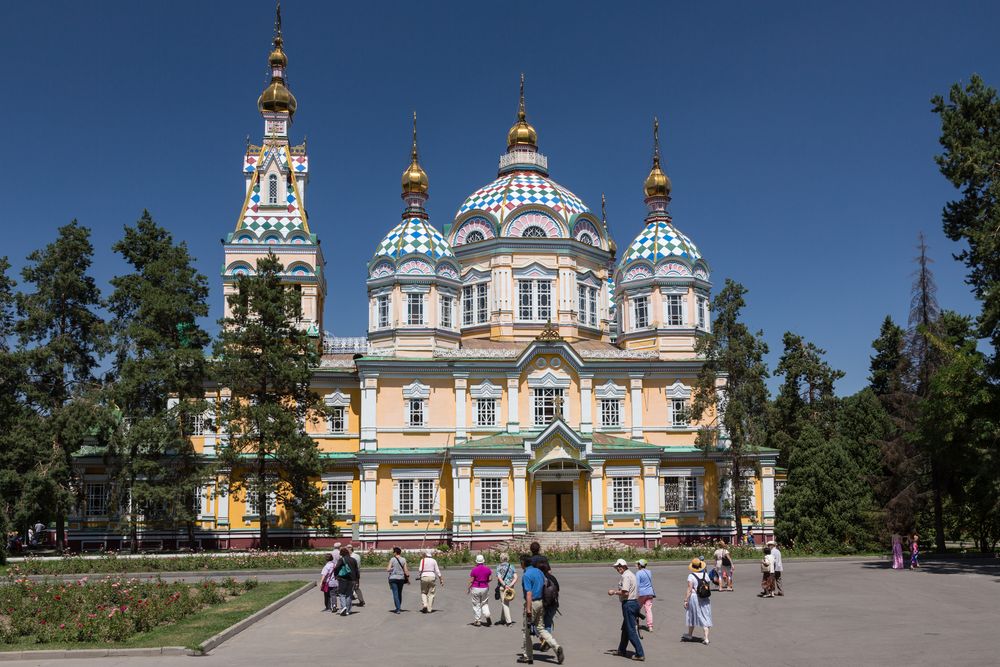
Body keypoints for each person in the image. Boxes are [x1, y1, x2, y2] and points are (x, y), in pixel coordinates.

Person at [518, 554, 563, 665]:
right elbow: (544, 584)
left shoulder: (526, 575)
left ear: (523, 563)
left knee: (527, 631)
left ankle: (527, 656)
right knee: (541, 628)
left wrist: (528, 610)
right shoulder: (538, 572)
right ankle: (556, 646)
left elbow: (528, 593)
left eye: (520, 562)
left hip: (532, 603)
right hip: (541, 603)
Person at [608, 558, 644, 661]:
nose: (617, 569)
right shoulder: (630, 574)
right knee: (625, 629)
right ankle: (621, 650)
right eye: (616, 567)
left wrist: (613, 592)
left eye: (618, 567)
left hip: (629, 604)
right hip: (633, 603)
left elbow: (625, 592)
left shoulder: (626, 576)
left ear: (623, 566)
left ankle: (640, 653)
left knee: (630, 630)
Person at [682, 558, 713, 644]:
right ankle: (706, 638)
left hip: (695, 597)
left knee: (692, 614)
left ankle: (689, 634)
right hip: (705, 597)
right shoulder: (705, 575)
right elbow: (708, 586)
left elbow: (689, 589)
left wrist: (686, 600)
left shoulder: (691, 576)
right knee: (705, 615)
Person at [334, 546, 360, 615]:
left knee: (342, 594)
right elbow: (357, 570)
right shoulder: (353, 560)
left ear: (342, 554)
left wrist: (336, 575)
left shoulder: (341, 560)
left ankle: (344, 607)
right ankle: (348, 610)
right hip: (352, 580)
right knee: (349, 594)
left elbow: (336, 568)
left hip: (343, 579)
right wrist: (357, 580)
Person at [468, 554, 493, 626]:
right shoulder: (487, 569)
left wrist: (468, 588)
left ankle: (478, 620)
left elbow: (471, 580)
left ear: (476, 561)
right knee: (484, 603)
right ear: (483, 561)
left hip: (476, 587)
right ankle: (487, 614)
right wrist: (485, 582)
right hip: (485, 587)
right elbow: (490, 578)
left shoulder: (474, 569)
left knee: (476, 604)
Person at [418, 549, 444, 613]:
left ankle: (425, 604)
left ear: (425, 554)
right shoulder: (434, 561)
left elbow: (420, 569)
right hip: (432, 576)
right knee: (431, 593)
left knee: (424, 592)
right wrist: (441, 579)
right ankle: (429, 609)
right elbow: (437, 570)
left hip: (424, 576)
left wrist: (420, 574)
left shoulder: (423, 560)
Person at [496, 552, 518, 627]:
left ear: (501, 558)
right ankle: (502, 619)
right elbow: (515, 577)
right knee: (505, 602)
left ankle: (509, 622)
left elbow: (499, 578)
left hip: (503, 587)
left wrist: (505, 585)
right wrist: (510, 585)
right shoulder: (511, 566)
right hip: (510, 588)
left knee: (505, 603)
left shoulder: (499, 567)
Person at [386, 546, 409, 613]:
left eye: (393, 552)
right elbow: (406, 570)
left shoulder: (392, 559)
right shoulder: (403, 559)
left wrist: (393, 569)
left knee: (395, 593)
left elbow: (388, 569)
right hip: (401, 578)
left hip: (393, 578)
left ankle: (398, 608)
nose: (393, 553)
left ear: (395, 552)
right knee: (399, 593)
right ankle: (399, 607)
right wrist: (408, 578)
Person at [636, 559, 655, 632]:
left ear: (640, 565)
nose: (637, 565)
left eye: (638, 564)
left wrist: (635, 594)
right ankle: (650, 626)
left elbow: (637, 584)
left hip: (642, 593)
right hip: (650, 593)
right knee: (648, 610)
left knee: (637, 608)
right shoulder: (649, 572)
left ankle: (636, 624)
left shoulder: (638, 573)